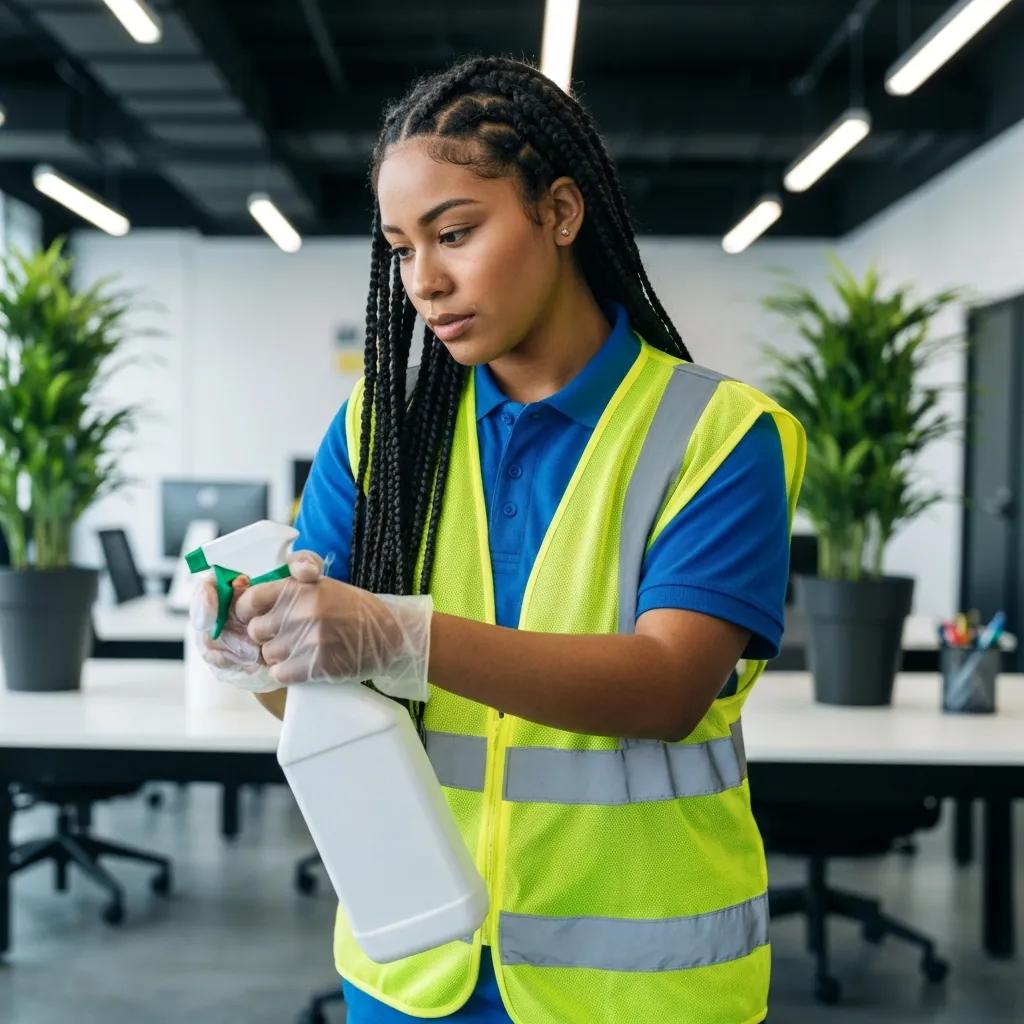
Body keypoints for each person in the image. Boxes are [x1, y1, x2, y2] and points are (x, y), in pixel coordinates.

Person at [193, 54, 805, 1024]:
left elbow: (666, 687)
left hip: (636, 986)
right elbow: (321, 694)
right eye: (401, 249)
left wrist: (398, 633)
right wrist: (261, 652)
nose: (424, 282)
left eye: (455, 234)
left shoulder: (718, 436)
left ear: (560, 213)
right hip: (413, 965)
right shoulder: (379, 432)